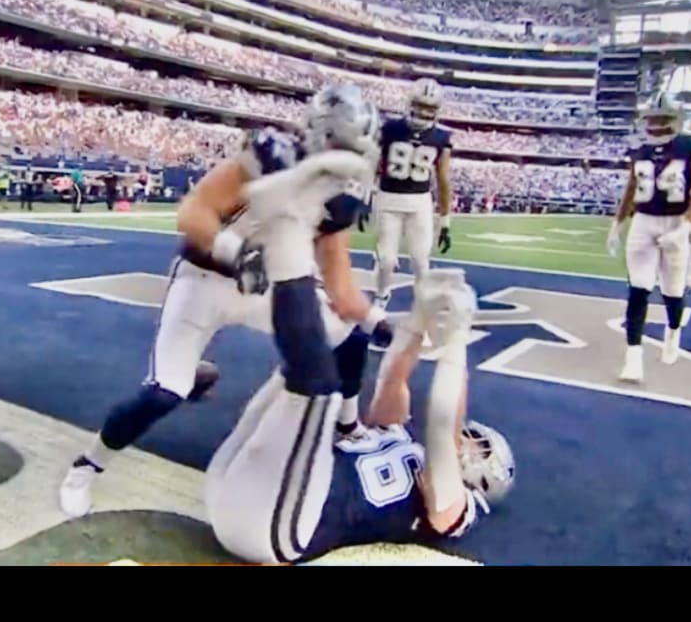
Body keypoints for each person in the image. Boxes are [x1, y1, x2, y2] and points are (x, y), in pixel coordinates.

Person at [58, 84, 389, 518]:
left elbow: (342, 289)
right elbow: (193, 212)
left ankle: (347, 426)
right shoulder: (268, 158)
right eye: (343, 147)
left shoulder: (340, 201)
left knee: (348, 336)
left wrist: (384, 324)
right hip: (205, 280)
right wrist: (234, 252)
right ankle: (88, 465)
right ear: (319, 135)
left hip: (263, 290)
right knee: (163, 394)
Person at [205, 268, 515, 564]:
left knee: (322, 368)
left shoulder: (453, 506)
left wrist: (457, 343)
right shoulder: (401, 440)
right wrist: (419, 317)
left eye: (478, 447)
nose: (465, 442)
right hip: (231, 489)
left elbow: (441, 432)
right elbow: (393, 379)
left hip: (276, 527)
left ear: (487, 481)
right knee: (339, 341)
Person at [606, 94, 691, 383]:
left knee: (673, 291)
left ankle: (673, 332)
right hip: (643, 221)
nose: (656, 123)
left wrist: (684, 228)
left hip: (675, 219)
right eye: (652, 118)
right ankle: (633, 359)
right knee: (638, 290)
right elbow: (631, 187)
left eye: (662, 118)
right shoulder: (639, 151)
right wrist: (618, 222)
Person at [370, 78, 455, 311]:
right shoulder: (390, 129)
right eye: (420, 105)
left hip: (419, 202)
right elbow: (373, 163)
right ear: (410, 103)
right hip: (389, 198)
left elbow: (443, 180)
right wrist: (365, 193)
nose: (424, 111)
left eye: (430, 107)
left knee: (420, 261)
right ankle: (381, 297)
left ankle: (422, 308)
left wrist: (445, 221)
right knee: (386, 260)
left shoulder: (442, 138)